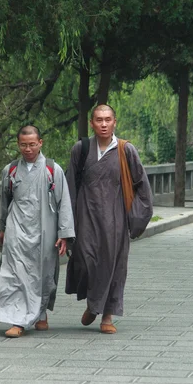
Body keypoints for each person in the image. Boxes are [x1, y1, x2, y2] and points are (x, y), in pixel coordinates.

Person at [65, 104, 153, 334]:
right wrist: (66, 224)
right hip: (86, 217)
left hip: (116, 219)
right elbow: (70, 187)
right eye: (98, 120)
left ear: (115, 122)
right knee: (85, 261)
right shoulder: (81, 149)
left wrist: (137, 220)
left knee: (114, 266)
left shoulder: (126, 150)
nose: (103, 124)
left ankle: (106, 316)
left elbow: (142, 186)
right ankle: (93, 304)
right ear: (92, 123)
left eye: (107, 120)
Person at [0, 125, 75, 338]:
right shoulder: (10, 170)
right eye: (23, 145)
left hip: (45, 228)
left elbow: (64, 203)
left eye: (32, 144)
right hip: (17, 227)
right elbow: (4, 202)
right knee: (15, 274)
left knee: (43, 274)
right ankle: (17, 321)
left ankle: (41, 312)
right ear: (18, 145)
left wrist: (64, 233)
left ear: (40, 143)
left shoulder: (53, 169)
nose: (28, 149)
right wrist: (3, 228)